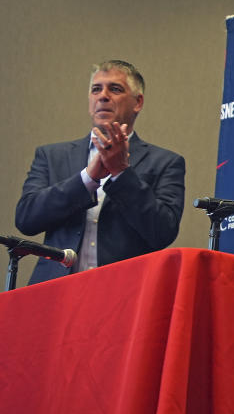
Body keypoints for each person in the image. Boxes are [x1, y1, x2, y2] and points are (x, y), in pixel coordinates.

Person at [15, 60, 185, 285]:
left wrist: (122, 174)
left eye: (115, 89)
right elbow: (26, 219)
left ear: (138, 102)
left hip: (124, 296)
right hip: (54, 295)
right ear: (89, 101)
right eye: (96, 89)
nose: (103, 96)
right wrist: (87, 179)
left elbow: (162, 232)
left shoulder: (166, 162)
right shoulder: (51, 156)